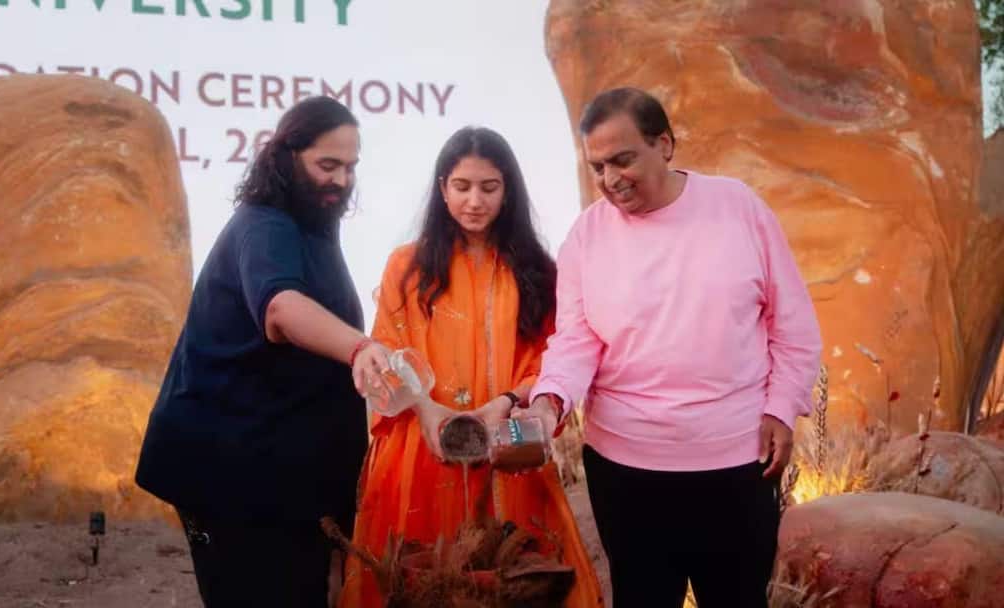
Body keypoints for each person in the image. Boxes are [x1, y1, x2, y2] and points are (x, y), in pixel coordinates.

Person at [522, 88, 823, 607]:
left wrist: (782, 407)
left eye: (623, 160)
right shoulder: (586, 236)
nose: (610, 179)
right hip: (625, 473)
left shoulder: (739, 208)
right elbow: (576, 339)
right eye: (598, 167)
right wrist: (550, 400)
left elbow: (792, 324)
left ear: (664, 144)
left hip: (738, 464)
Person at [135, 96, 389, 607]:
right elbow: (280, 308)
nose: (341, 180)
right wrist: (360, 347)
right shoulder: (265, 223)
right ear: (286, 157)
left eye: (350, 167)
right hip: (231, 474)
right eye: (327, 165)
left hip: (285, 476)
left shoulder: (314, 223)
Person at [339, 126, 604, 607]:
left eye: (489, 187)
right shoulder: (407, 267)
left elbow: (551, 358)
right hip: (424, 448)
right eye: (462, 186)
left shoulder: (537, 271)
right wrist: (426, 410)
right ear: (443, 188)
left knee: (519, 578)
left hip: (509, 447)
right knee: (421, 581)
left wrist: (504, 403)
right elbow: (389, 354)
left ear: (508, 191)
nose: (475, 201)